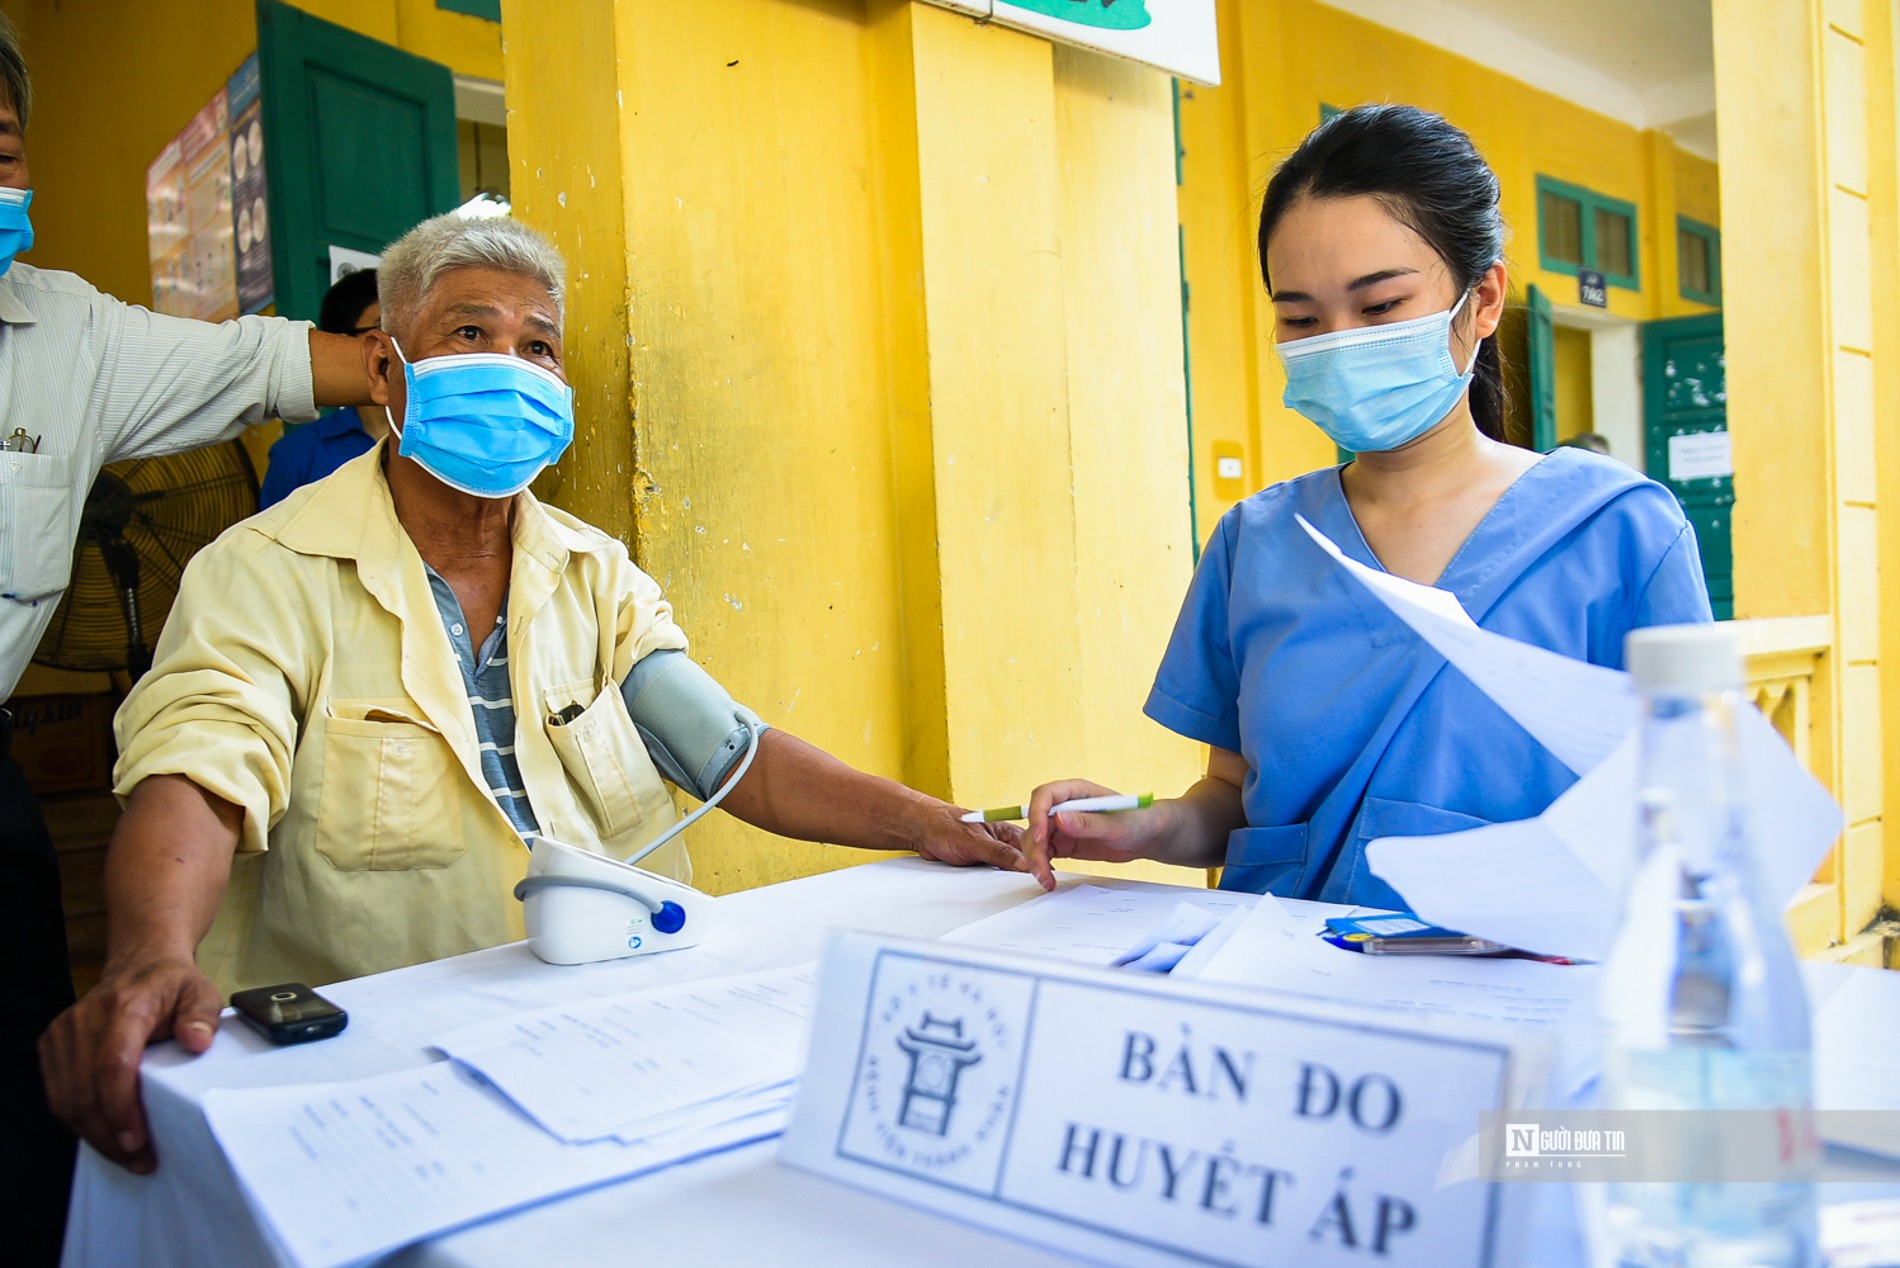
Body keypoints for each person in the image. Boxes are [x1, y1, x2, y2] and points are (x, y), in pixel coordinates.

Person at [39, 213, 1026, 1177]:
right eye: (470, 331)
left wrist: (931, 821)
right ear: (385, 372)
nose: (511, 365)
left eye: (539, 345)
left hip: (611, 1045)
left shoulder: (595, 574)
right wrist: (149, 951)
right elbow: (200, 767)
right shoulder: (267, 569)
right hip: (386, 1081)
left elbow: (730, 751)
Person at [1021, 105, 1711, 899]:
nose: (1340, 342)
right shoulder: (1258, 543)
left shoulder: (1618, 532)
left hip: (1524, 998)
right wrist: (1146, 828)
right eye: (1301, 317)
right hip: (1288, 988)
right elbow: (1236, 804)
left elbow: (1689, 810)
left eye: (1380, 307)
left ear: (1482, 300)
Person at [0, 18, 372, 1264]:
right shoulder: (265, 579)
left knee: (31, 1118)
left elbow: (264, 360)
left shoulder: (66, 334)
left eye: (0, 149)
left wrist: (438, 359)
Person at [258, 267, 390, 507]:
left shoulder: (447, 436)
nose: (399, 342)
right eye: (384, 326)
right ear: (341, 342)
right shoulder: (297, 453)